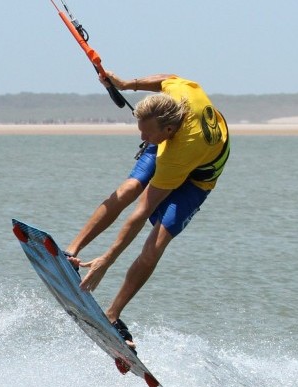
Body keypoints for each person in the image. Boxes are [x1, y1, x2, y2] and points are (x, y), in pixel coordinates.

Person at [67, 70, 230, 352]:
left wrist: (106, 260)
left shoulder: (177, 155)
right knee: (129, 187)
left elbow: (141, 214)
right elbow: (168, 77)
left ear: (167, 131)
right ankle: (71, 251)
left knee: (156, 242)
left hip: (199, 175)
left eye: (145, 132)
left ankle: (113, 314)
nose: (141, 136)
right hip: (177, 142)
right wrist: (125, 85)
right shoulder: (182, 94)